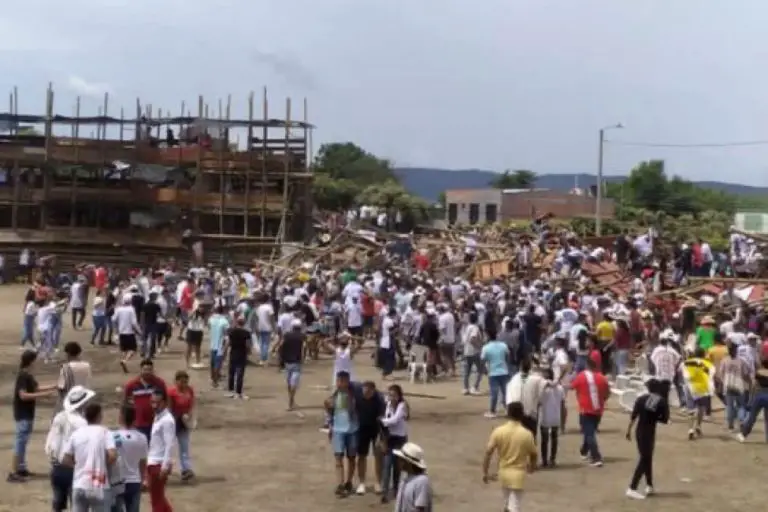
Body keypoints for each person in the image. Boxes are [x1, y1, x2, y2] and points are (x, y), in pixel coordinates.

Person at [9, 349, 58, 483]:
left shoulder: (28, 376)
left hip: (27, 412)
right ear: (31, 361)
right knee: (20, 442)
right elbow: (23, 395)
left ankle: (21, 468)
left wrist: (54, 386)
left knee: (23, 442)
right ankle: (13, 472)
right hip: (23, 412)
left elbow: (36, 388)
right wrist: (44, 395)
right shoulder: (23, 376)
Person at [45, 386, 96, 511]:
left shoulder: (59, 416)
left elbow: (49, 444)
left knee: (57, 503)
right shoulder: (81, 423)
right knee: (77, 505)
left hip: (56, 467)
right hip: (73, 467)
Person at [61, 402, 118, 511]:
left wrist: (78, 466)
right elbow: (113, 455)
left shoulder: (76, 434)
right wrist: (103, 465)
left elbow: (65, 459)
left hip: (80, 483)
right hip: (99, 483)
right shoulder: (105, 432)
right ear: (99, 416)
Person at [482, 402, 537, 512]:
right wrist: (532, 467)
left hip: (503, 473)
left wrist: (485, 472)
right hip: (518, 474)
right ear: (521, 415)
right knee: (514, 506)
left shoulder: (499, 431)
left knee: (508, 504)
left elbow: (488, 452)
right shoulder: (526, 434)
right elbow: (534, 454)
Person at [624, 378, 670, 500]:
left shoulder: (640, 399)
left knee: (647, 458)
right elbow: (665, 420)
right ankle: (632, 488)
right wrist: (655, 418)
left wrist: (628, 431)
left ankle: (649, 485)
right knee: (645, 459)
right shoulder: (661, 401)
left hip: (638, 431)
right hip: (649, 432)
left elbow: (633, 416)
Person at [324, 371, 360, 497]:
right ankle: (340, 483)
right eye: (338, 381)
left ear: (347, 381)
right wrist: (329, 427)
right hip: (338, 430)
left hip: (352, 429)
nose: (339, 383)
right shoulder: (332, 397)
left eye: (342, 381)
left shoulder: (355, 396)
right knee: (338, 458)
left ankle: (349, 482)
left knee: (351, 458)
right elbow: (328, 414)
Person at [571, 358, 610, 467]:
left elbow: (572, 386)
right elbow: (607, 393)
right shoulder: (602, 378)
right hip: (598, 410)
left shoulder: (581, 376)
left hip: (585, 409)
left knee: (589, 433)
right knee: (589, 431)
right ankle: (584, 451)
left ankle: (596, 457)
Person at [112, 404, 148, 512]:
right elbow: (143, 461)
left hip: (117, 481)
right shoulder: (142, 437)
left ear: (121, 417)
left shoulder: (113, 436)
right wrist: (143, 479)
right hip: (134, 481)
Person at [123, 359, 167, 443]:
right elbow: (125, 404)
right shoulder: (131, 385)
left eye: (149, 370)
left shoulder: (159, 383)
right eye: (145, 370)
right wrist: (125, 421)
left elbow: (165, 401)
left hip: (156, 423)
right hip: (138, 423)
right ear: (141, 370)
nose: (147, 372)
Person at [146, 387, 176, 512]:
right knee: (158, 498)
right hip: (153, 461)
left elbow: (169, 444)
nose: (153, 405)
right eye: (152, 402)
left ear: (164, 402)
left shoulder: (167, 420)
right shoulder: (158, 417)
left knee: (156, 500)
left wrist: (164, 466)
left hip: (158, 463)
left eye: (156, 403)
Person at [355, 381, 385, 495]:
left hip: (376, 430)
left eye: (368, 391)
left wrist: (381, 435)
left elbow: (382, 417)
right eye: (364, 390)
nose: (366, 393)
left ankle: (378, 482)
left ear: (373, 391)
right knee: (361, 456)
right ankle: (362, 483)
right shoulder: (358, 397)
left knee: (378, 456)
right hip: (362, 430)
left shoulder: (379, 400)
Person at [380, 384, 409, 504]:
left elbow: (395, 420)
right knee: (387, 465)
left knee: (397, 467)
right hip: (389, 438)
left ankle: (396, 490)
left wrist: (382, 421)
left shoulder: (402, 406)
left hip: (400, 439)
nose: (391, 397)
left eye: (394, 395)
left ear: (399, 395)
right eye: (390, 394)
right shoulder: (387, 404)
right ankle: (385, 492)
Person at [168, 370, 196, 482]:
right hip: (173, 421)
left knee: (184, 447)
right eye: (182, 382)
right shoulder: (171, 392)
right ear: (176, 381)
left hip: (184, 421)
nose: (184, 384)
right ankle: (165, 467)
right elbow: (169, 408)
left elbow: (191, 404)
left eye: (186, 382)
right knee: (168, 446)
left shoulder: (189, 390)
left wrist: (188, 416)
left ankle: (186, 469)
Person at [393, 442, 432, 512]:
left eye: (401, 459)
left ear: (408, 462)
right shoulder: (405, 479)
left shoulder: (421, 482)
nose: (398, 461)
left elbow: (420, 509)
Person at [481, 330, 510, 419]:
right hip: (504, 371)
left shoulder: (486, 348)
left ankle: (492, 411)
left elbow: (483, 360)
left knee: (494, 393)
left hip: (493, 372)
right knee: (506, 392)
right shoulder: (503, 345)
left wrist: (484, 369)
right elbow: (508, 356)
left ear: (488, 337)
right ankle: (508, 409)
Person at [738, 358, 768, 443]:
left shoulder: (758, 373)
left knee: (752, 417)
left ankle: (743, 435)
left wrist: (750, 400)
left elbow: (754, 387)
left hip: (759, 395)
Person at [278, 318, 305, 411]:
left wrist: (280, 358)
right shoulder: (302, 336)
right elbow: (304, 347)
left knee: (289, 382)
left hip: (287, 361)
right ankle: (291, 402)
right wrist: (303, 358)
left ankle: (291, 401)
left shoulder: (286, 335)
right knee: (294, 383)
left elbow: (280, 345)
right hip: (296, 362)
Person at [225, 316, 251, 400]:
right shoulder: (246, 333)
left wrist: (225, 352)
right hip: (241, 354)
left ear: (237, 322)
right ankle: (238, 392)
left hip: (233, 353)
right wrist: (248, 352)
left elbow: (228, 343)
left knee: (231, 372)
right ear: (244, 323)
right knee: (240, 374)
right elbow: (247, 345)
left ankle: (230, 390)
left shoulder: (232, 331)